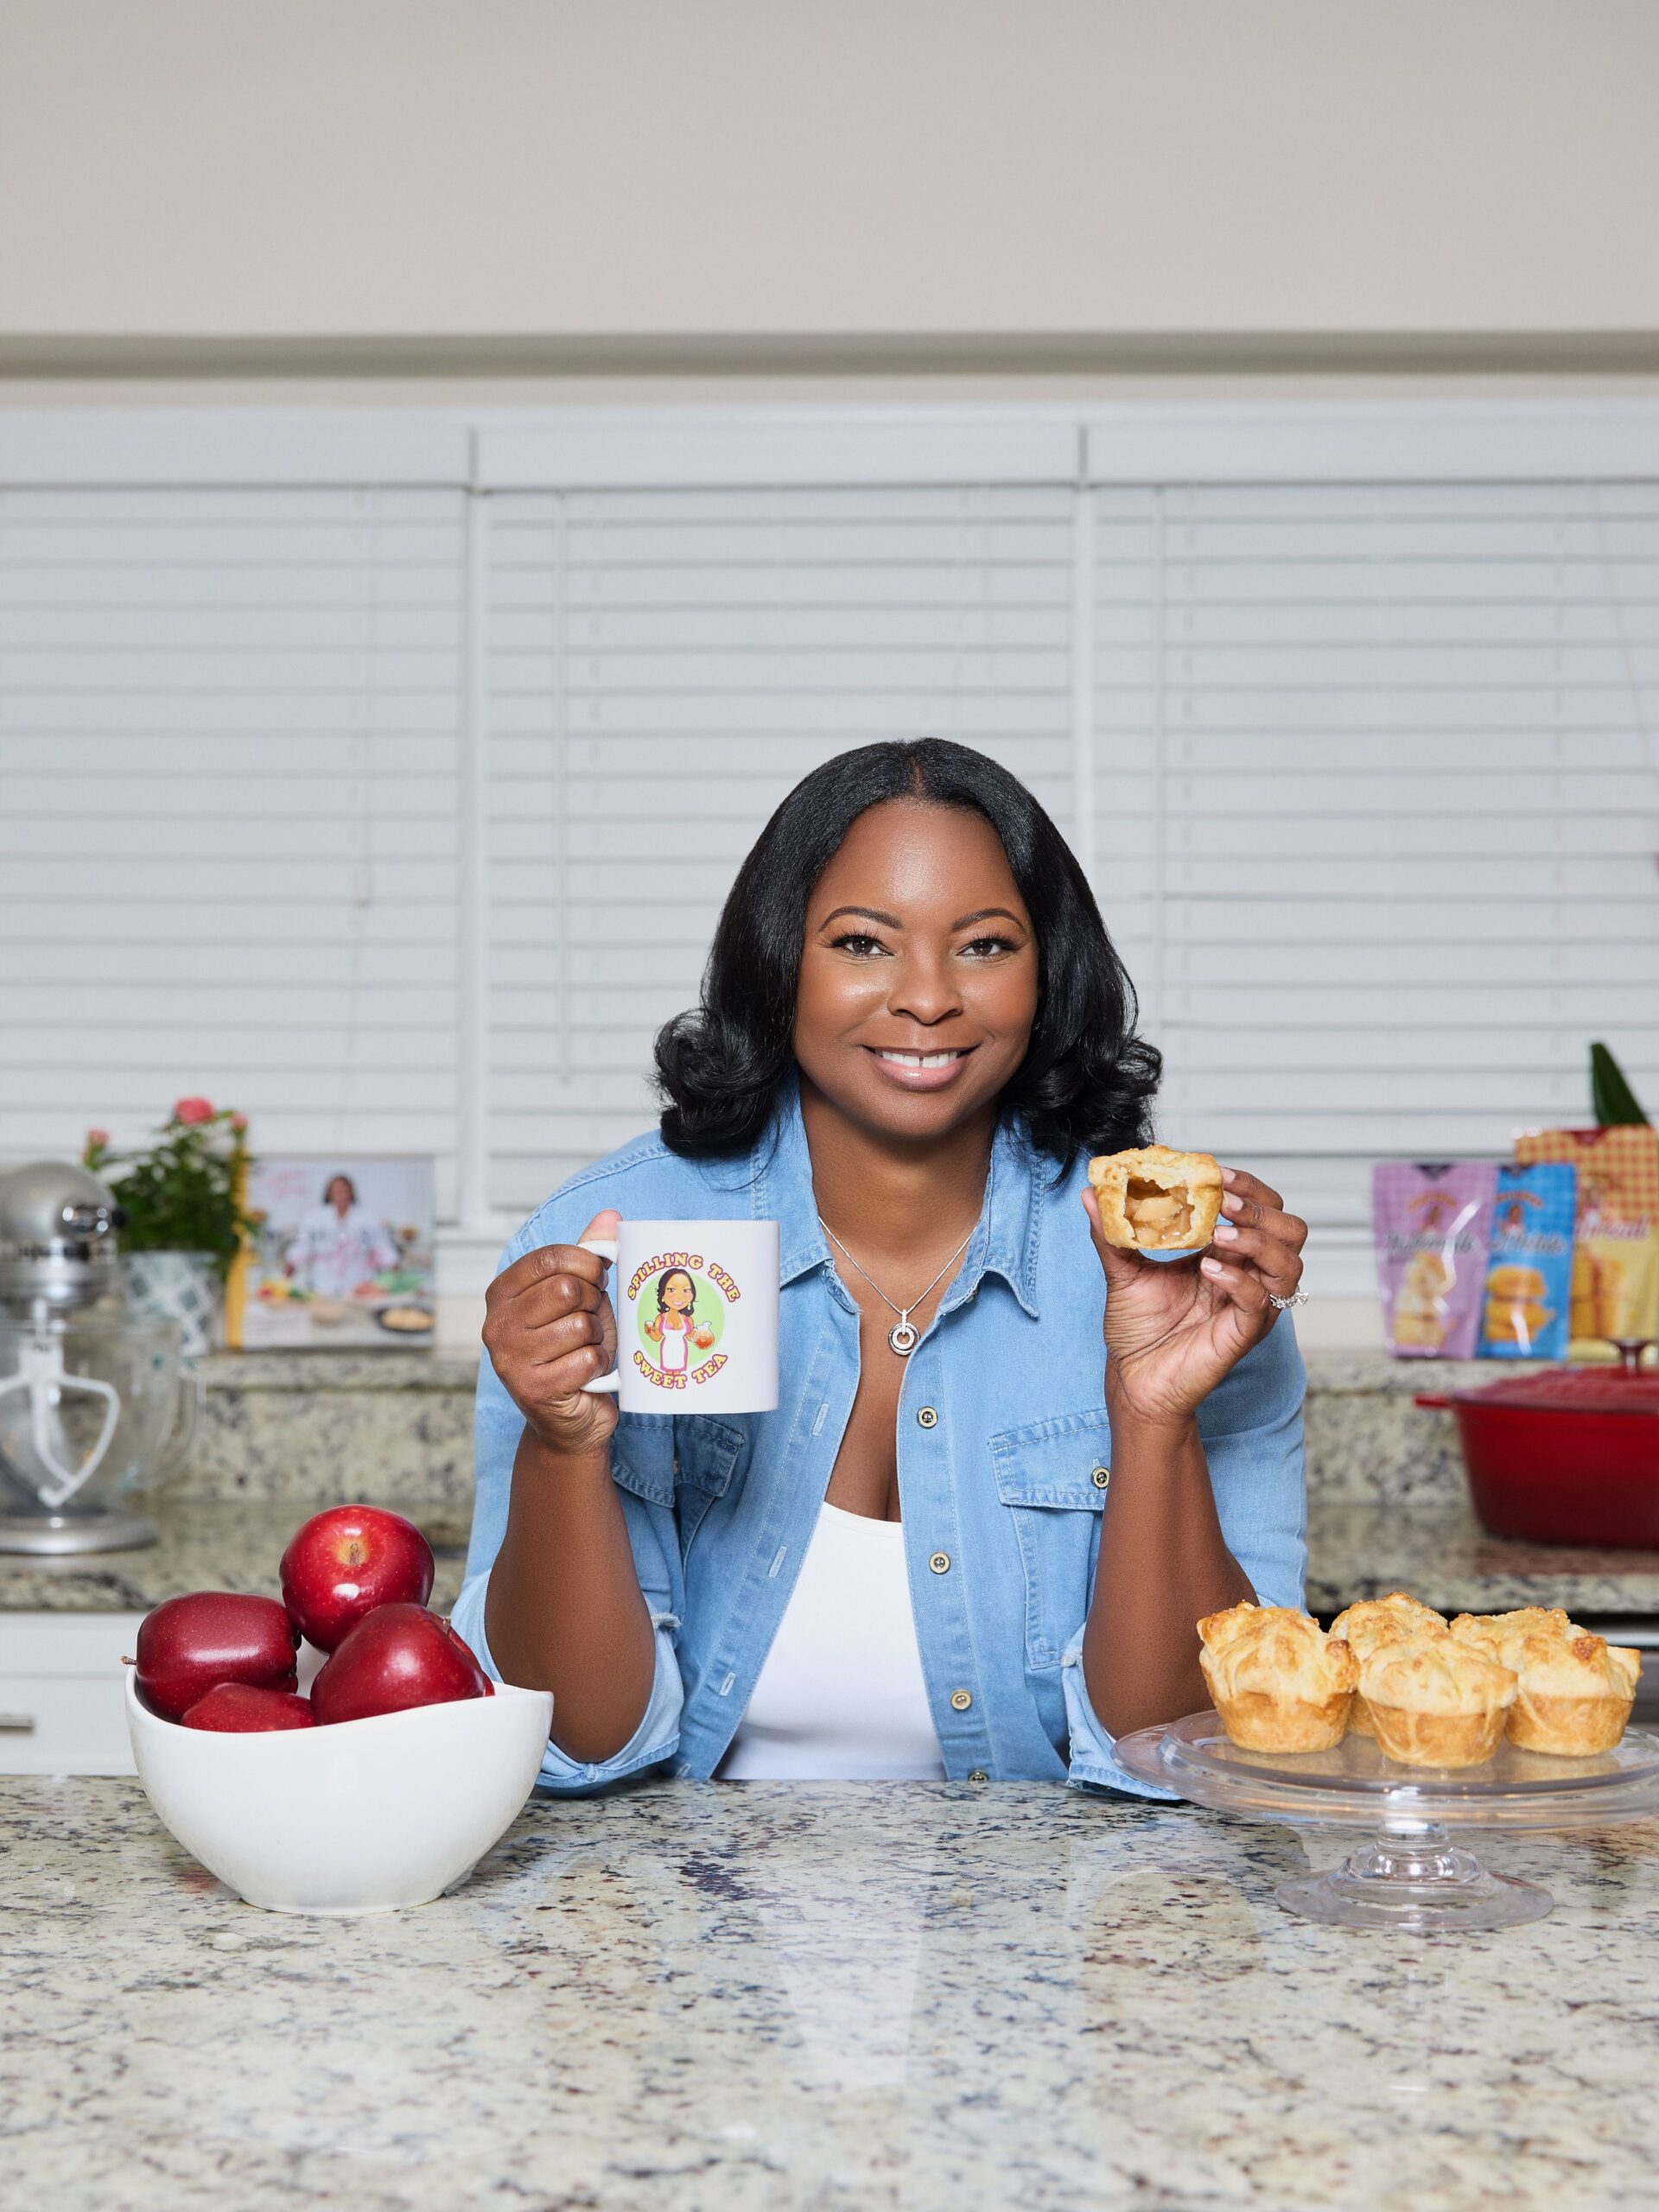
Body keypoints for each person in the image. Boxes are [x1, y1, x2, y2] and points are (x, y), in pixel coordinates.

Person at [454, 739, 1307, 1791]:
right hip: (695, 1890)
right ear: (780, 963)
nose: (928, 998)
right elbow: (576, 1749)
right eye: (864, 942)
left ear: (1047, 974)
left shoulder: (1182, 1278)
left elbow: (1181, 1752)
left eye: (985, 945)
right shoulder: (607, 1247)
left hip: (1053, 1894)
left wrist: (1153, 1415)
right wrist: (564, 1448)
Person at [284, 1174, 397, 1300]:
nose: (341, 1193)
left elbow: (381, 1246)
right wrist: (286, 1276)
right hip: (322, 1286)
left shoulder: (367, 1218)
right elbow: (302, 1248)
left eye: (345, 1189)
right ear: (329, 1194)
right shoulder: (314, 1218)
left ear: (351, 1192)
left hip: (359, 1286)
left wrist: (396, 1270)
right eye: (336, 1190)